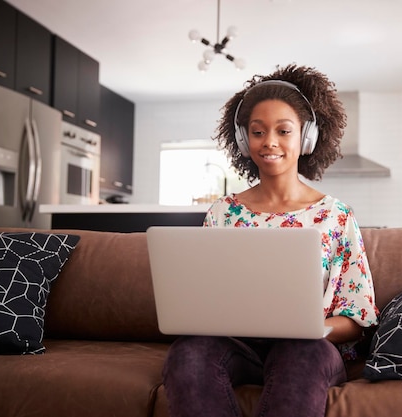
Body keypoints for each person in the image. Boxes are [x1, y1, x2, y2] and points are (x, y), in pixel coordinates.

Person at [162, 64, 379, 417]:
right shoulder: (222, 213)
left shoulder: (336, 216)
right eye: (258, 132)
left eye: (284, 130)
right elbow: (203, 298)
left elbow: (359, 316)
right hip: (238, 347)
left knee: (301, 354)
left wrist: (315, 329)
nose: (270, 142)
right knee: (187, 353)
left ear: (306, 138)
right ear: (245, 141)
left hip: (308, 349)